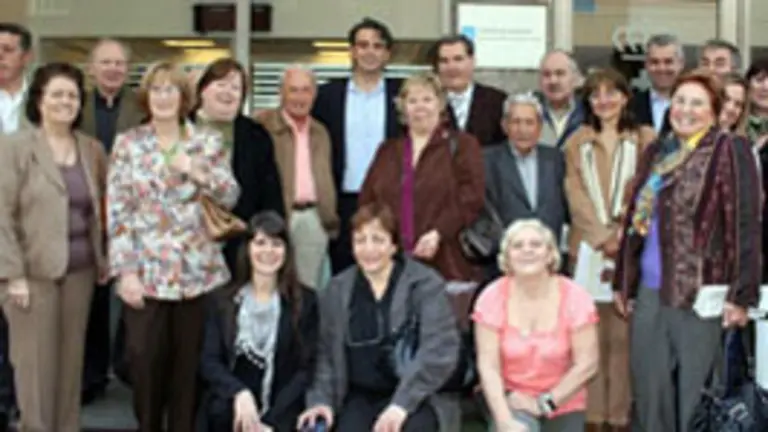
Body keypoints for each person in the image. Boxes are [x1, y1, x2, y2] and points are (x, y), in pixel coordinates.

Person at [613, 70, 761, 432]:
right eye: (679, 100)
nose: (686, 110)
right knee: (650, 395)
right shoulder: (657, 152)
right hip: (649, 293)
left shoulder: (729, 150)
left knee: (697, 402)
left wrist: (741, 295)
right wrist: (622, 280)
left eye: (697, 103)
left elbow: (745, 225)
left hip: (701, 295)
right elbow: (635, 223)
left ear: (714, 111)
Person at [107, 61, 240, 432]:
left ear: (185, 98)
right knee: (144, 365)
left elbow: (230, 196)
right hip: (146, 275)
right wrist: (126, 272)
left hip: (197, 273)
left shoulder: (207, 140)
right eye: (157, 89)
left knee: (189, 371)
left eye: (172, 90)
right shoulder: (129, 144)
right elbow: (118, 211)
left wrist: (199, 172)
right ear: (146, 96)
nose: (164, 97)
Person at [0, 62, 108, 432]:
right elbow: (1, 215)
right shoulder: (14, 147)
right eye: (57, 94)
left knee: (69, 367)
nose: (66, 102)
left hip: (80, 272)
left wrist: (103, 258)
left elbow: (101, 209)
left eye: (73, 95)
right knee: (34, 369)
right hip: (32, 276)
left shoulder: (91, 149)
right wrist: (12, 275)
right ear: (39, 101)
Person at [297, 203, 461, 432]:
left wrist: (400, 406)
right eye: (360, 240)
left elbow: (439, 349)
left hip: (416, 396)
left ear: (394, 245)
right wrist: (321, 401)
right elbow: (326, 356)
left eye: (378, 240)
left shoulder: (424, 284)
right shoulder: (337, 290)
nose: (369, 249)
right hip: (358, 396)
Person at [563, 68, 655, 432]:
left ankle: (619, 418)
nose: (604, 100)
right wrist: (603, 236)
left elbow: (649, 191)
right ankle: (592, 417)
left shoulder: (646, 139)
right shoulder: (576, 142)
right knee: (590, 337)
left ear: (625, 97)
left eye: (611, 92)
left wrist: (624, 235)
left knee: (624, 337)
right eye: (595, 94)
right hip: (587, 249)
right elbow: (575, 195)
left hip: (631, 248)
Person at [473, 219, 599, 432]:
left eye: (536, 245)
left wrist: (545, 403)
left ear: (551, 254)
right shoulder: (491, 297)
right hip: (510, 397)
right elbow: (488, 366)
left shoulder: (576, 297)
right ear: (507, 257)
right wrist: (504, 420)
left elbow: (587, 364)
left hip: (564, 400)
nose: (527, 251)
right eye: (518, 246)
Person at [359, 72, 485, 282]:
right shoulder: (388, 150)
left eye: (427, 99)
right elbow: (368, 199)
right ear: (403, 107)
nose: (420, 107)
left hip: (446, 258)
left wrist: (439, 232)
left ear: (440, 104)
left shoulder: (462, 145)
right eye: (412, 100)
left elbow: (471, 197)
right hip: (391, 261)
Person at [199, 211, 318, 432]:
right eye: (260, 243)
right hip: (232, 406)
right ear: (247, 249)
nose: (268, 251)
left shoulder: (305, 301)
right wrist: (239, 393)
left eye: (276, 244)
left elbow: (306, 369)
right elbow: (209, 361)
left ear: (286, 252)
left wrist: (269, 422)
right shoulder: (222, 301)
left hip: (283, 409)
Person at [79, 37, 144, 402]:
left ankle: (128, 369)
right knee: (90, 299)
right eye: (105, 62)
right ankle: (90, 376)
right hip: (84, 214)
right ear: (91, 68)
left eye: (119, 63)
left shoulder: (141, 106)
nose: (113, 69)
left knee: (132, 296)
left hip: (131, 214)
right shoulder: (76, 105)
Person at [311, 17, 402, 274]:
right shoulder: (328, 96)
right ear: (351, 51)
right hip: (342, 202)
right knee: (344, 275)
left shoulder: (402, 95)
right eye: (362, 45)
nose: (369, 52)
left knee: (390, 273)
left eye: (377, 45)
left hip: (390, 201)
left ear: (387, 54)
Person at [191, 57, 285, 274]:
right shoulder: (179, 129)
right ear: (202, 90)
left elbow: (270, 191)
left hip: (239, 241)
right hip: (185, 242)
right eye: (221, 84)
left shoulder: (255, 134)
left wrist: (267, 237)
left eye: (236, 87)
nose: (228, 92)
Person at [257, 65, 338, 290]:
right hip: (277, 216)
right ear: (281, 93)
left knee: (307, 289)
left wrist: (329, 218)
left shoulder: (321, 131)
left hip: (312, 218)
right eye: (293, 90)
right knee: (270, 285)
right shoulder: (264, 125)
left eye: (306, 90)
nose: (300, 97)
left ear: (314, 95)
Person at [0, 21, 33, 429]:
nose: (0, 56)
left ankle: (17, 399)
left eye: (8, 49)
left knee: (20, 325)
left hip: (27, 230)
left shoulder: (40, 105)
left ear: (26, 56)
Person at [430, 34, 507, 146]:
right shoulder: (428, 103)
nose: (452, 67)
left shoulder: (497, 101)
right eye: (444, 61)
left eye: (458, 59)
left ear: (473, 61)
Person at [629, 34, 685, 135]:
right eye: (655, 62)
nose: (661, 68)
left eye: (668, 62)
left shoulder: (694, 105)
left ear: (681, 63)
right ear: (646, 65)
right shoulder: (630, 106)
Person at [535, 50, 585, 148]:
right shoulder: (531, 113)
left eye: (560, 73)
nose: (553, 81)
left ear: (576, 79)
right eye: (546, 74)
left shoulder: (588, 114)